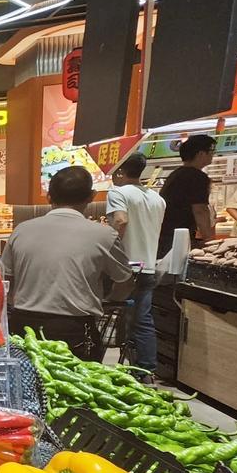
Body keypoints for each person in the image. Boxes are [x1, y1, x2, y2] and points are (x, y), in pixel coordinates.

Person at [2, 166, 134, 361]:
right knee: (75, 389)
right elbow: (125, 282)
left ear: (48, 196)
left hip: (23, 328)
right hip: (75, 331)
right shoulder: (104, 235)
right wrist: (110, 298)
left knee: (27, 385)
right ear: (91, 196)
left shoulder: (21, 230)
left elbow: (5, 280)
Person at [107, 153, 166, 373]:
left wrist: (108, 242)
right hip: (148, 265)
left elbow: (121, 220)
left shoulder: (118, 192)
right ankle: (145, 369)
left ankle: (97, 362)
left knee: (100, 311)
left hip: (126, 267)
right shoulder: (157, 199)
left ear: (121, 172)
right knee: (142, 319)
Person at [157, 134, 216, 257]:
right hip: (177, 238)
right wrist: (210, 242)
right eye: (211, 151)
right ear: (200, 154)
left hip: (164, 236)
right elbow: (200, 210)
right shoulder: (197, 177)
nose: (213, 155)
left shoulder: (176, 174)